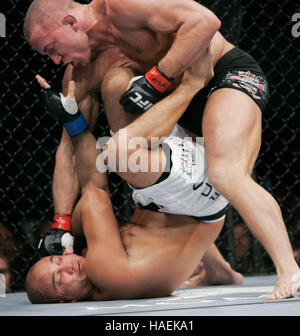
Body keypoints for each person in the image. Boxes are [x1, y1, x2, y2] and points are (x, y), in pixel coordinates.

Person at [23, 0, 300, 300]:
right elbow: (70, 148)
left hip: (221, 77)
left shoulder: (121, 6)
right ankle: (218, 268)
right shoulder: (81, 74)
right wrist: (60, 223)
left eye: (51, 47)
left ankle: (289, 270)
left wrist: (159, 77)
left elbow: (205, 22)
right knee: (116, 85)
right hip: (178, 106)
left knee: (224, 172)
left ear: (70, 22)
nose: (53, 60)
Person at [26, 53, 245, 303]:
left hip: (187, 206)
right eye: (59, 279)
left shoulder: (103, 281)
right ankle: (192, 83)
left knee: (116, 83)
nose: (67, 267)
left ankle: (220, 271)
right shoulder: (104, 272)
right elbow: (94, 193)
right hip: (194, 193)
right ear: (66, 301)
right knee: (117, 156)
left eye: (57, 261)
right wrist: (64, 230)